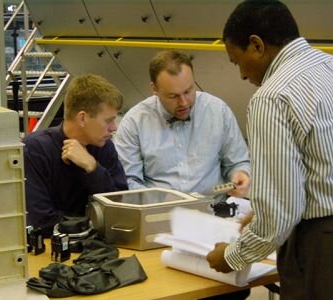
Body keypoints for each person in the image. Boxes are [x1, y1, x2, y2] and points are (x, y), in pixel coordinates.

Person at [206, 1, 333, 299]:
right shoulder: (328, 66)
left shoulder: (272, 97)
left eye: (236, 61)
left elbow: (280, 214)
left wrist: (232, 255)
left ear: (256, 45)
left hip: (321, 249)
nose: (241, 75)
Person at [114, 50, 251, 200]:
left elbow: (238, 162)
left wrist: (241, 174)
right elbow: (128, 181)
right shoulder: (134, 122)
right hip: (159, 215)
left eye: (188, 91)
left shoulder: (217, 111)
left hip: (214, 212)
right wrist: (161, 200)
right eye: (173, 96)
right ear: (154, 89)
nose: (184, 102)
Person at [23, 74, 128, 236]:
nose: (113, 127)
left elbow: (120, 209)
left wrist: (93, 168)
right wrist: (92, 224)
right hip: (52, 248)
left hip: (98, 247)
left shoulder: (104, 146)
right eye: (108, 121)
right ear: (82, 118)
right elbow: (40, 221)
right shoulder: (35, 150)